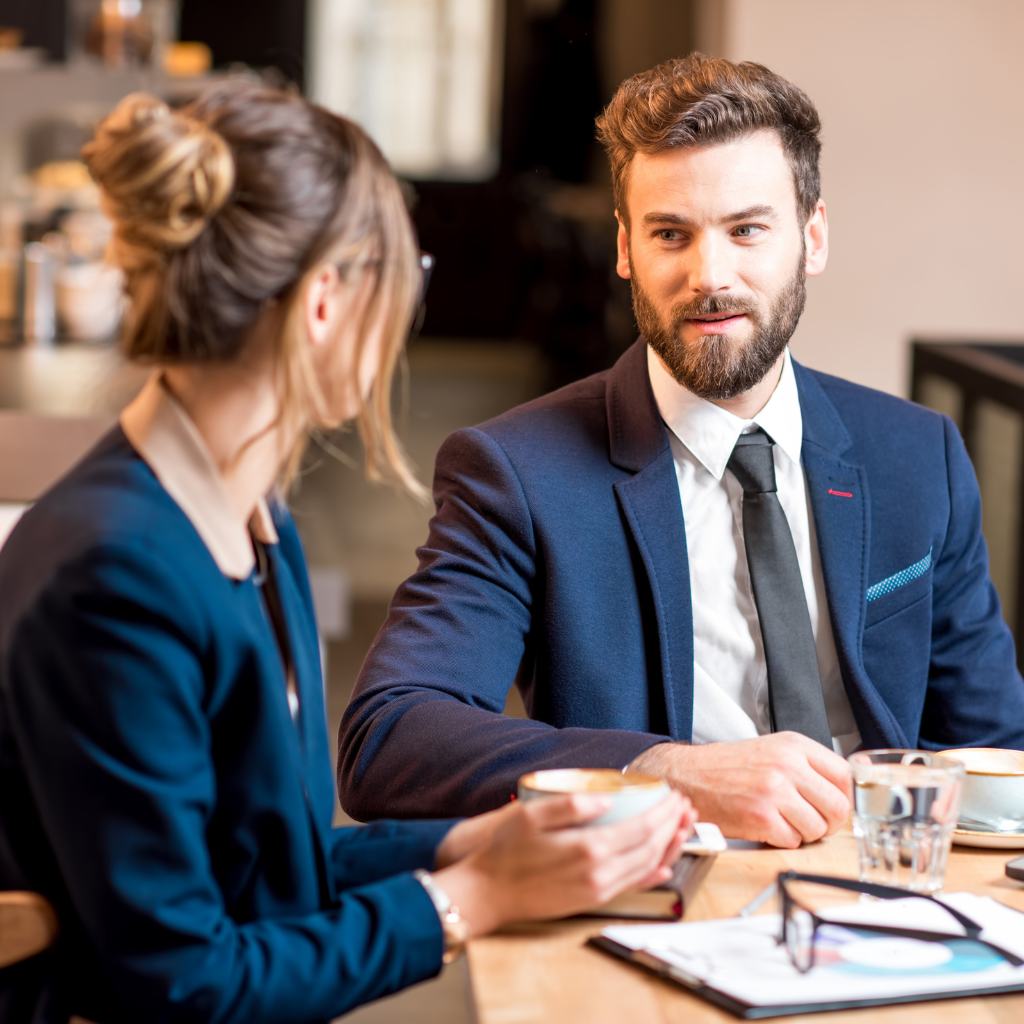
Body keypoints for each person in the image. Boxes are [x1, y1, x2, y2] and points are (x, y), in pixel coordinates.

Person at [0, 82, 696, 1024]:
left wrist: (477, 843)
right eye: (402, 273)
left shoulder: (248, 516)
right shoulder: (115, 575)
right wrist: (478, 898)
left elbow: (269, 867)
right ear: (325, 301)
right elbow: (186, 984)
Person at [337, 53, 1024, 849]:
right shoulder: (516, 472)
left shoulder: (917, 454)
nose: (710, 276)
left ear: (813, 236)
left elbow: (996, 750)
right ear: (626, 249)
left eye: (746, 230)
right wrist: (665, 771)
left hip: (889, 895)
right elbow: (388, 740)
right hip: (659, 895)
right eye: (672, 234)